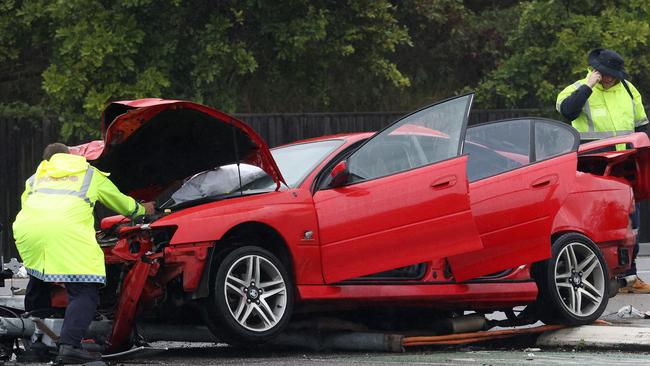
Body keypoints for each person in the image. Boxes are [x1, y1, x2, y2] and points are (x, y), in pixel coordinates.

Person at [12, 143, 154, 364]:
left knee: (39, 279)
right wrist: (143, 210)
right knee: (84, 290)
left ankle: (37, 344)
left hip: (28, 230)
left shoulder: (36, 177)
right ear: (70, 155)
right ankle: (70, 346)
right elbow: (121, 203)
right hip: (65, 231)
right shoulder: (88, 174)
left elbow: (30, 207)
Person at [556, 48, 650, 293]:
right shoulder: (577, 88)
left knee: (631, 218)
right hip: (592, 164)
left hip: (625, 163)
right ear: (596, 70)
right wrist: (588, 86)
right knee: (595, 219)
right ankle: (601, 275)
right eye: (605, 74)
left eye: (613, 74)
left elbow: (642, 127)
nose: (609, 78)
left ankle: (629, 276)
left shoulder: (629, 90)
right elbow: (567, 111)